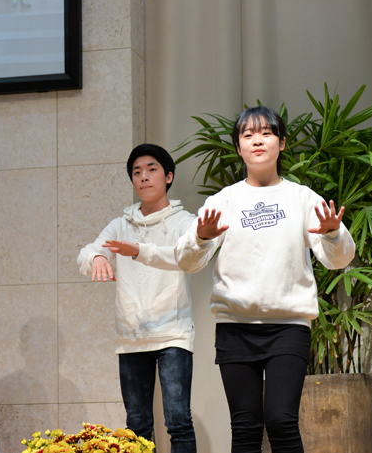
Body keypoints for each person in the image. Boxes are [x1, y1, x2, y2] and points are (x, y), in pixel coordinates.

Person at [167, 106, 354, 453]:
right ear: (238, 147)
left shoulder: (302, 198)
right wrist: (202, 237)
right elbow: (186, 261)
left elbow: (338, 259)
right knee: (245, 426)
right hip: (235, 326)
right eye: (248, 134)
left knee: (282, 420)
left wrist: (332, 233)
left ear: (281, 143)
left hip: (289, 326)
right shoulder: (224, 200)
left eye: (266, 133)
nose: (257, 140)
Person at [77, 144, 197, 452]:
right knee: (137, 424)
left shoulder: (183, 221)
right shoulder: (121, 224)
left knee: (178, 420)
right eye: (136, 172)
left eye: (152, 169)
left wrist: (140, 251)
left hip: (173, 333)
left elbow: (188, 255)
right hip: (131, 336)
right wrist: (97, 258)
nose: (143, 177)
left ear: (168, 176)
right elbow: (87, 252)